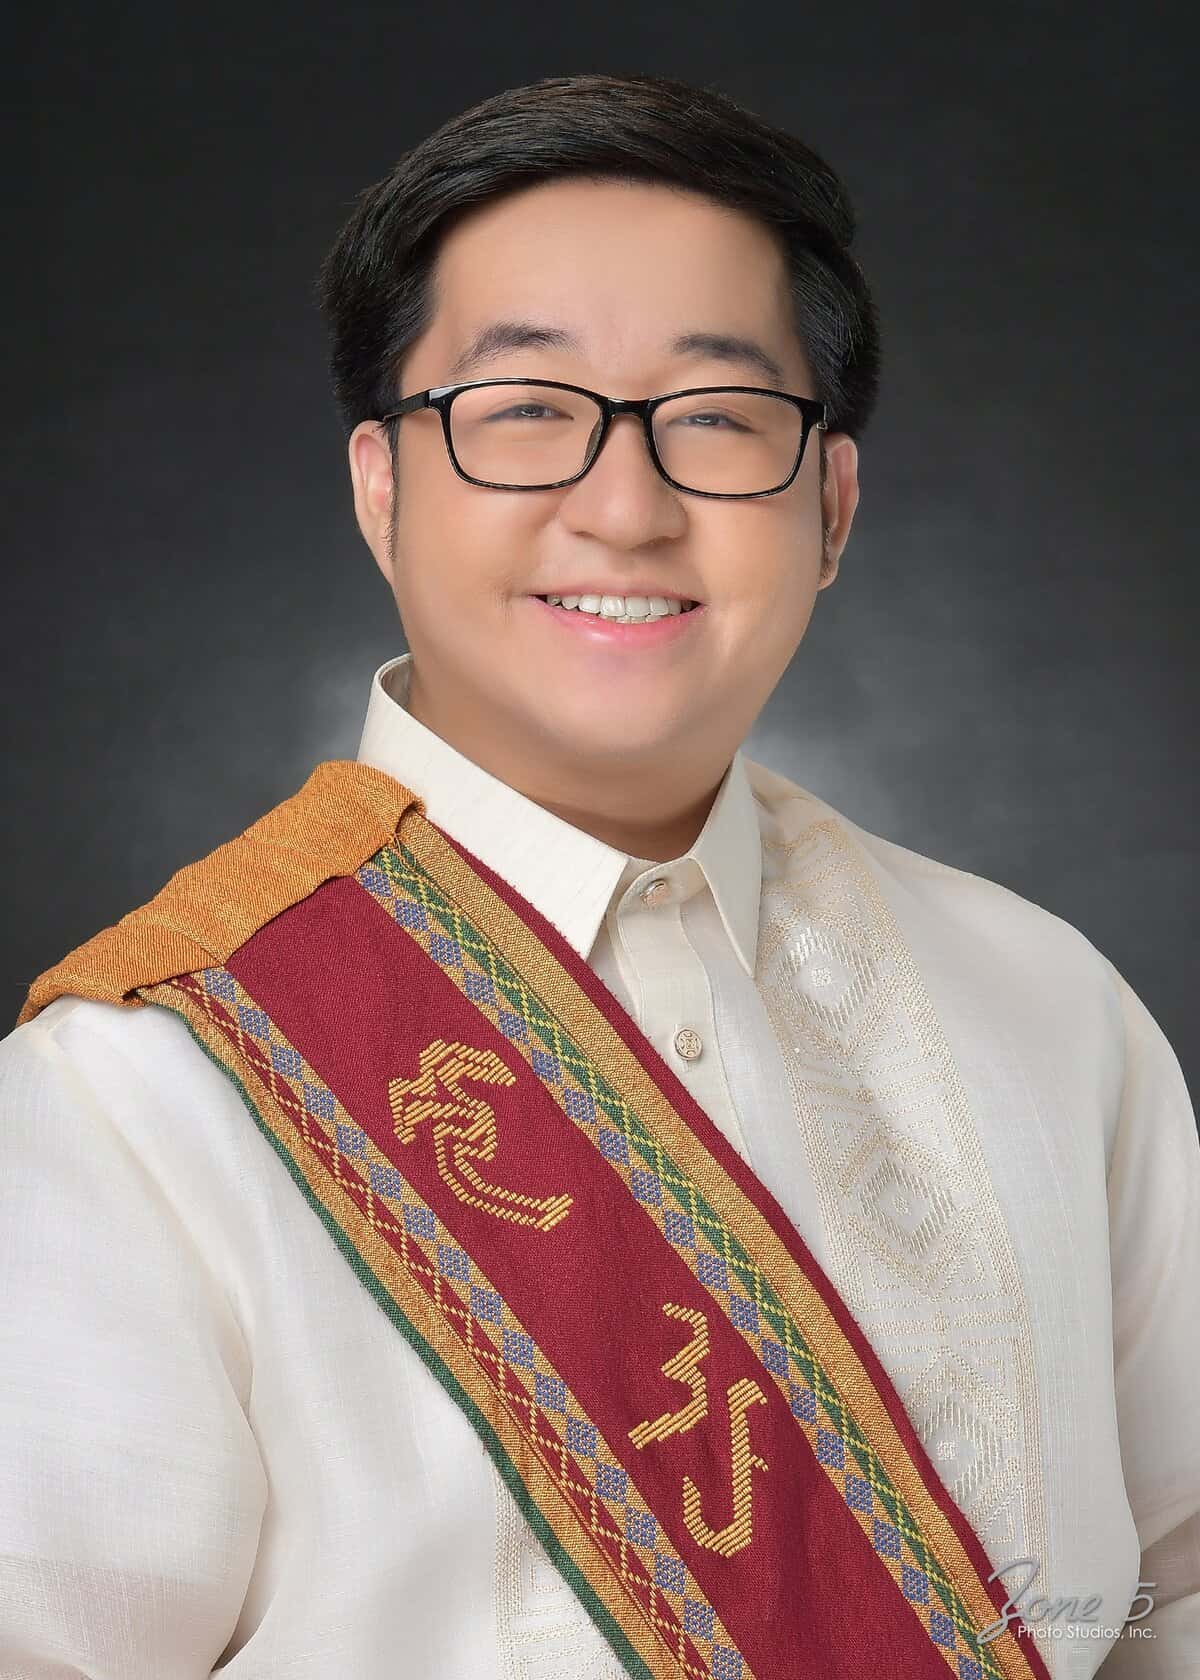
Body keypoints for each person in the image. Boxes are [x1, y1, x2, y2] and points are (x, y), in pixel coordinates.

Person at [1, 70, 1195, 1680]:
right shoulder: (128, 1095)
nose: (625, 508)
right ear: (381, 488)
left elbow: (1165, 1602)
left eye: (717, 419)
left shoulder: (1051, 1009)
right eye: (524, 415)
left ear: (829, 506)